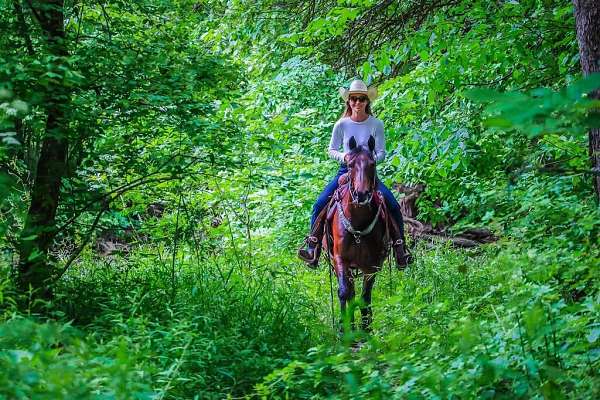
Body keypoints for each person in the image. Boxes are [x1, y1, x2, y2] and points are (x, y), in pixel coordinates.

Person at [298, 79, 412, 269]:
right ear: (348, 101)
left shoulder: (376, 124)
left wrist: (370, 159)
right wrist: (346, 158)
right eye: (353, 99)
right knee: (320, 203)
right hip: (347, 171)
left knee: (392, 205)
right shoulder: (341, 124)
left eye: (361, 99)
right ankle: (313, 246)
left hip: (368, 173)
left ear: (367, 101)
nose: (357, 103)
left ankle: (400, 248)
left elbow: (382, 152)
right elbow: (331, 149)